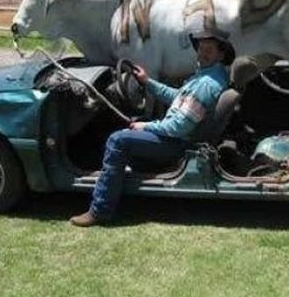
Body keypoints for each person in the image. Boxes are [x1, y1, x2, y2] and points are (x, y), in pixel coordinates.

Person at [69, 28, 235, 227]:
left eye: (209, 49)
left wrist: (146, 126)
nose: (202, 53)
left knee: (117, 140)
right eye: (200, 48)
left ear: (221, 55)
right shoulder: (206, 77)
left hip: (177, 144)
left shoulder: (206, 84)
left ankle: (99, 210)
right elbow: (177, 97)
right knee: (126, 129)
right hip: (177, 138)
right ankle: (115, 175)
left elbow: (178, 128)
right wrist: (147, 82)